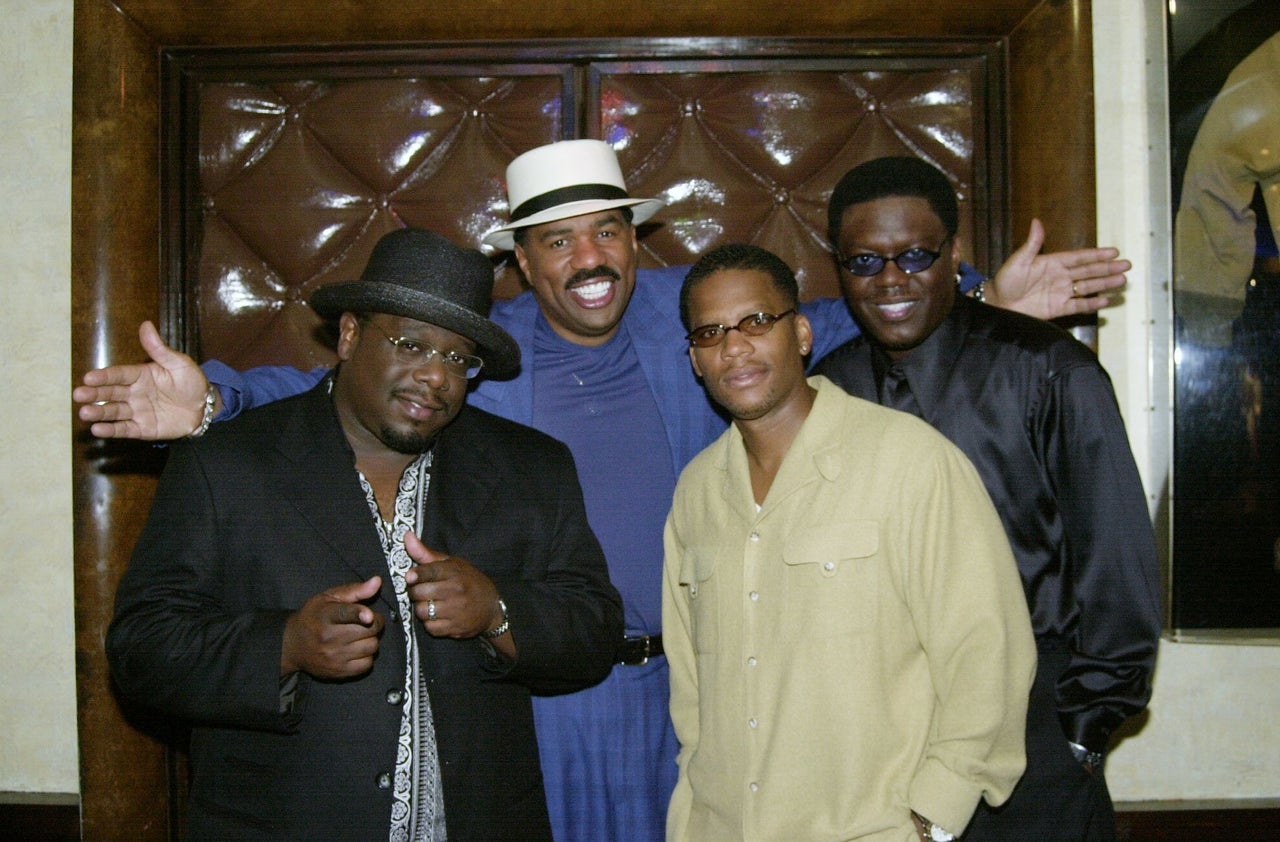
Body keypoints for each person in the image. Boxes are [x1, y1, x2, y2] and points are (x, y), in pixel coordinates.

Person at [76, 140, 1129, 842]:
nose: (588, 256)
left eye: (607, 230)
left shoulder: (695, 316)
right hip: (552, 698)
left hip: (707, 690)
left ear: (636, 242)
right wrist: (211, 404)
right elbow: (349, 385)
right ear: (522, 266)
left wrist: (981, 291)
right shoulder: (480, 356)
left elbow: (826, 311)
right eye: (555, 238)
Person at [105, 227, 623, 841]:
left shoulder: (530, 466)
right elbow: (141, 649)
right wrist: (285, 646)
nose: (436, 377)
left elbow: (594, 629)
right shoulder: (227, 463)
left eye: (458, 358)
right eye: (411, 344)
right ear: (350, 334)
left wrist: (498, 612)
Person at [814, 156, 1162, 840]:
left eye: (915, 254)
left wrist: (1079, 736)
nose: (891, 280)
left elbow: (1118, 570)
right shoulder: (829, 390)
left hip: (1034, 725)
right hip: (881, 727)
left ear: (956, 253)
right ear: (839, 267)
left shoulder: (1049, 370)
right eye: (864, 262)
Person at [663, 243, 1036, 841]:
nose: (734, 347)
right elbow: (691, 687)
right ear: (694, 361)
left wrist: (935, 814)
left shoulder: (910, 461)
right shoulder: (697, 491)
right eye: (709, 334)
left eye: (757, 322)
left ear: (803, 333)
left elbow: (987, 651)